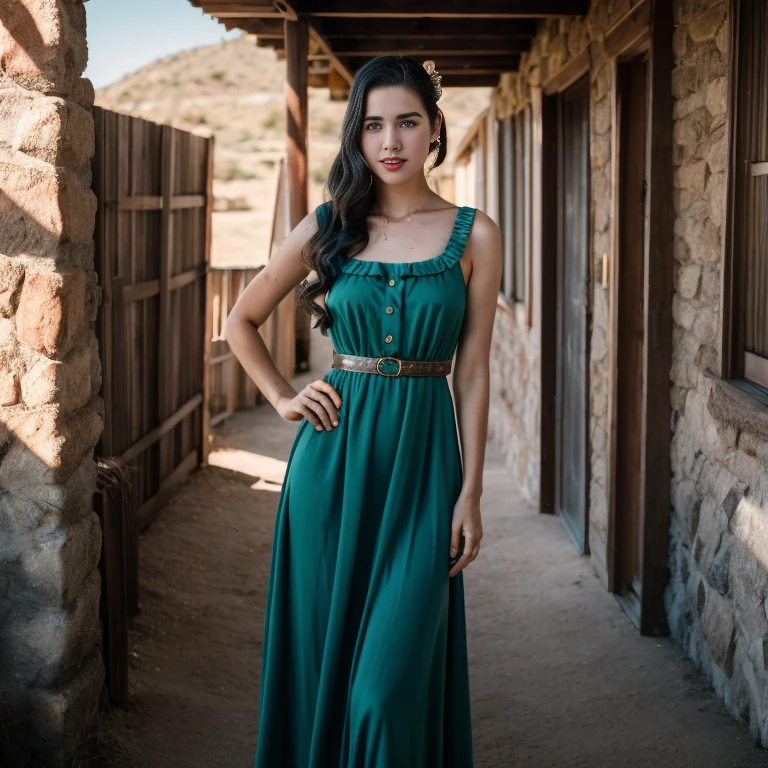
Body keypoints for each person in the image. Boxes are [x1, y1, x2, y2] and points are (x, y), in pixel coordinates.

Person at [226, 54, 502, 768]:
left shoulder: (475, 235)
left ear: (435, 128)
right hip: (331, 467)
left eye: (407, 122)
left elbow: (472, 374)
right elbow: (242, 319)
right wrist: (284, 399)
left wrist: (470, 491)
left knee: (383, 692)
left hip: (422, 474)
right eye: (373, 124)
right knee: (322, 670)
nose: (391, 140)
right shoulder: (330, 223)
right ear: (356, 135)